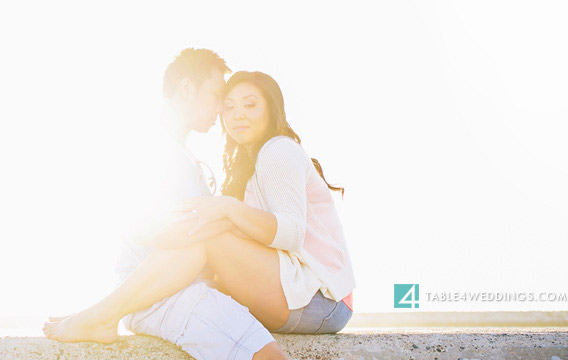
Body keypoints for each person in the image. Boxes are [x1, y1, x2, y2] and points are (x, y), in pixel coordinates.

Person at [43, 69, 354, 344]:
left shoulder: (278, 150)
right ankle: (104, 313)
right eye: (228, 107)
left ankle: (102, 315)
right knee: (199, 236)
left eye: (249, 104)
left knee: (204, 235)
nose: (237, 115)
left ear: (271, 109)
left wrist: (226, 207)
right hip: (301, 298)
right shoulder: (250, 167)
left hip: (324, 302)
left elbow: (291, 235)